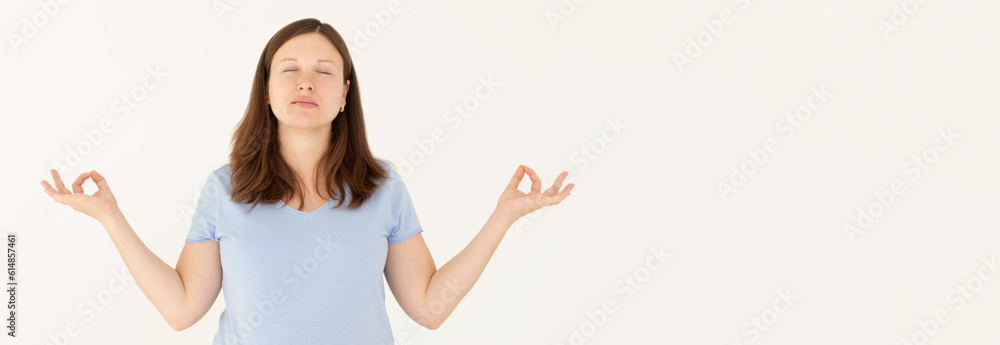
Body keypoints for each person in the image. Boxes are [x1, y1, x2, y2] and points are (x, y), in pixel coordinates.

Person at [39, 18, 574, 344]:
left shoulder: (383, 188)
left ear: (344, 94)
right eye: (288, 69)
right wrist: (110, 216)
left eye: (323, 71)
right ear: (266, 91)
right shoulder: (225, 189)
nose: (305, 82)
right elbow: (182, 310)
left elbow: (429, 308)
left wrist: (503, 217)